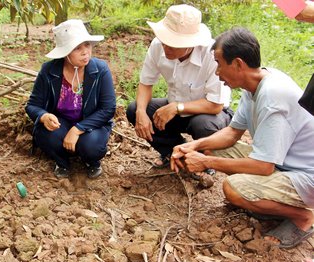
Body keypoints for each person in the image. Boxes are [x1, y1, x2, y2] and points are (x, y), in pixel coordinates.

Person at [171, 27, 314, 249]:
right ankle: (267, 204)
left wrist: (206, 163)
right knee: (211, 149)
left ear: (238, 64)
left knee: (233, 189)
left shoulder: (272, 96)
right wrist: (195, 146)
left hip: (305, 176)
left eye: (219, 63)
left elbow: (264, 166)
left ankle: (302, 217)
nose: (217, 72)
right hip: (283, 163)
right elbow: (231, 133)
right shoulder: (254, 85)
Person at [126, 4, 232, 170]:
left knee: (204, 125)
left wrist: (177, 107)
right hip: (174, 106)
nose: (165, 47)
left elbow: (215, 105)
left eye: (172, 44)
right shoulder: (157, 46)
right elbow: (146, 83)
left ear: (191, 43)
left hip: (209, 113)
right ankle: (174, 151)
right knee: (135, 109)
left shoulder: (212, 55)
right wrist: (141, 112)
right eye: (164, 41)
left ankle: (203, 161)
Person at [25, 19, 116, 179]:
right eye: (77, 48)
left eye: (87, 45)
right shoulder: (49, 71)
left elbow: (107, 109)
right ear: (65, 52)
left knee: (91, 146)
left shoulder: (100, 70)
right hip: (62, 122)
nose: (85, 52)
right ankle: (62, 161)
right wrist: (45, 116)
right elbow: (33, 105)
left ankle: (91, 161)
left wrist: (77, 129)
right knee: (47, 136)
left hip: (92, 123)